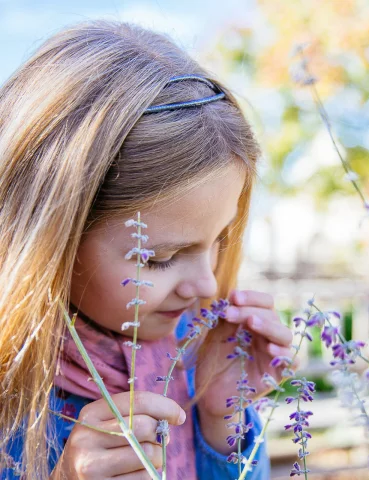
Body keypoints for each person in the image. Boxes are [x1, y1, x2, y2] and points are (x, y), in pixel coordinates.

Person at [0, 20, 296, 479]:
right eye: (158, 257)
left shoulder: (197, 361)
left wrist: (221, 420)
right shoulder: (13, 402)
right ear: (51, 242)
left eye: (219, 240)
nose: (206, 283)